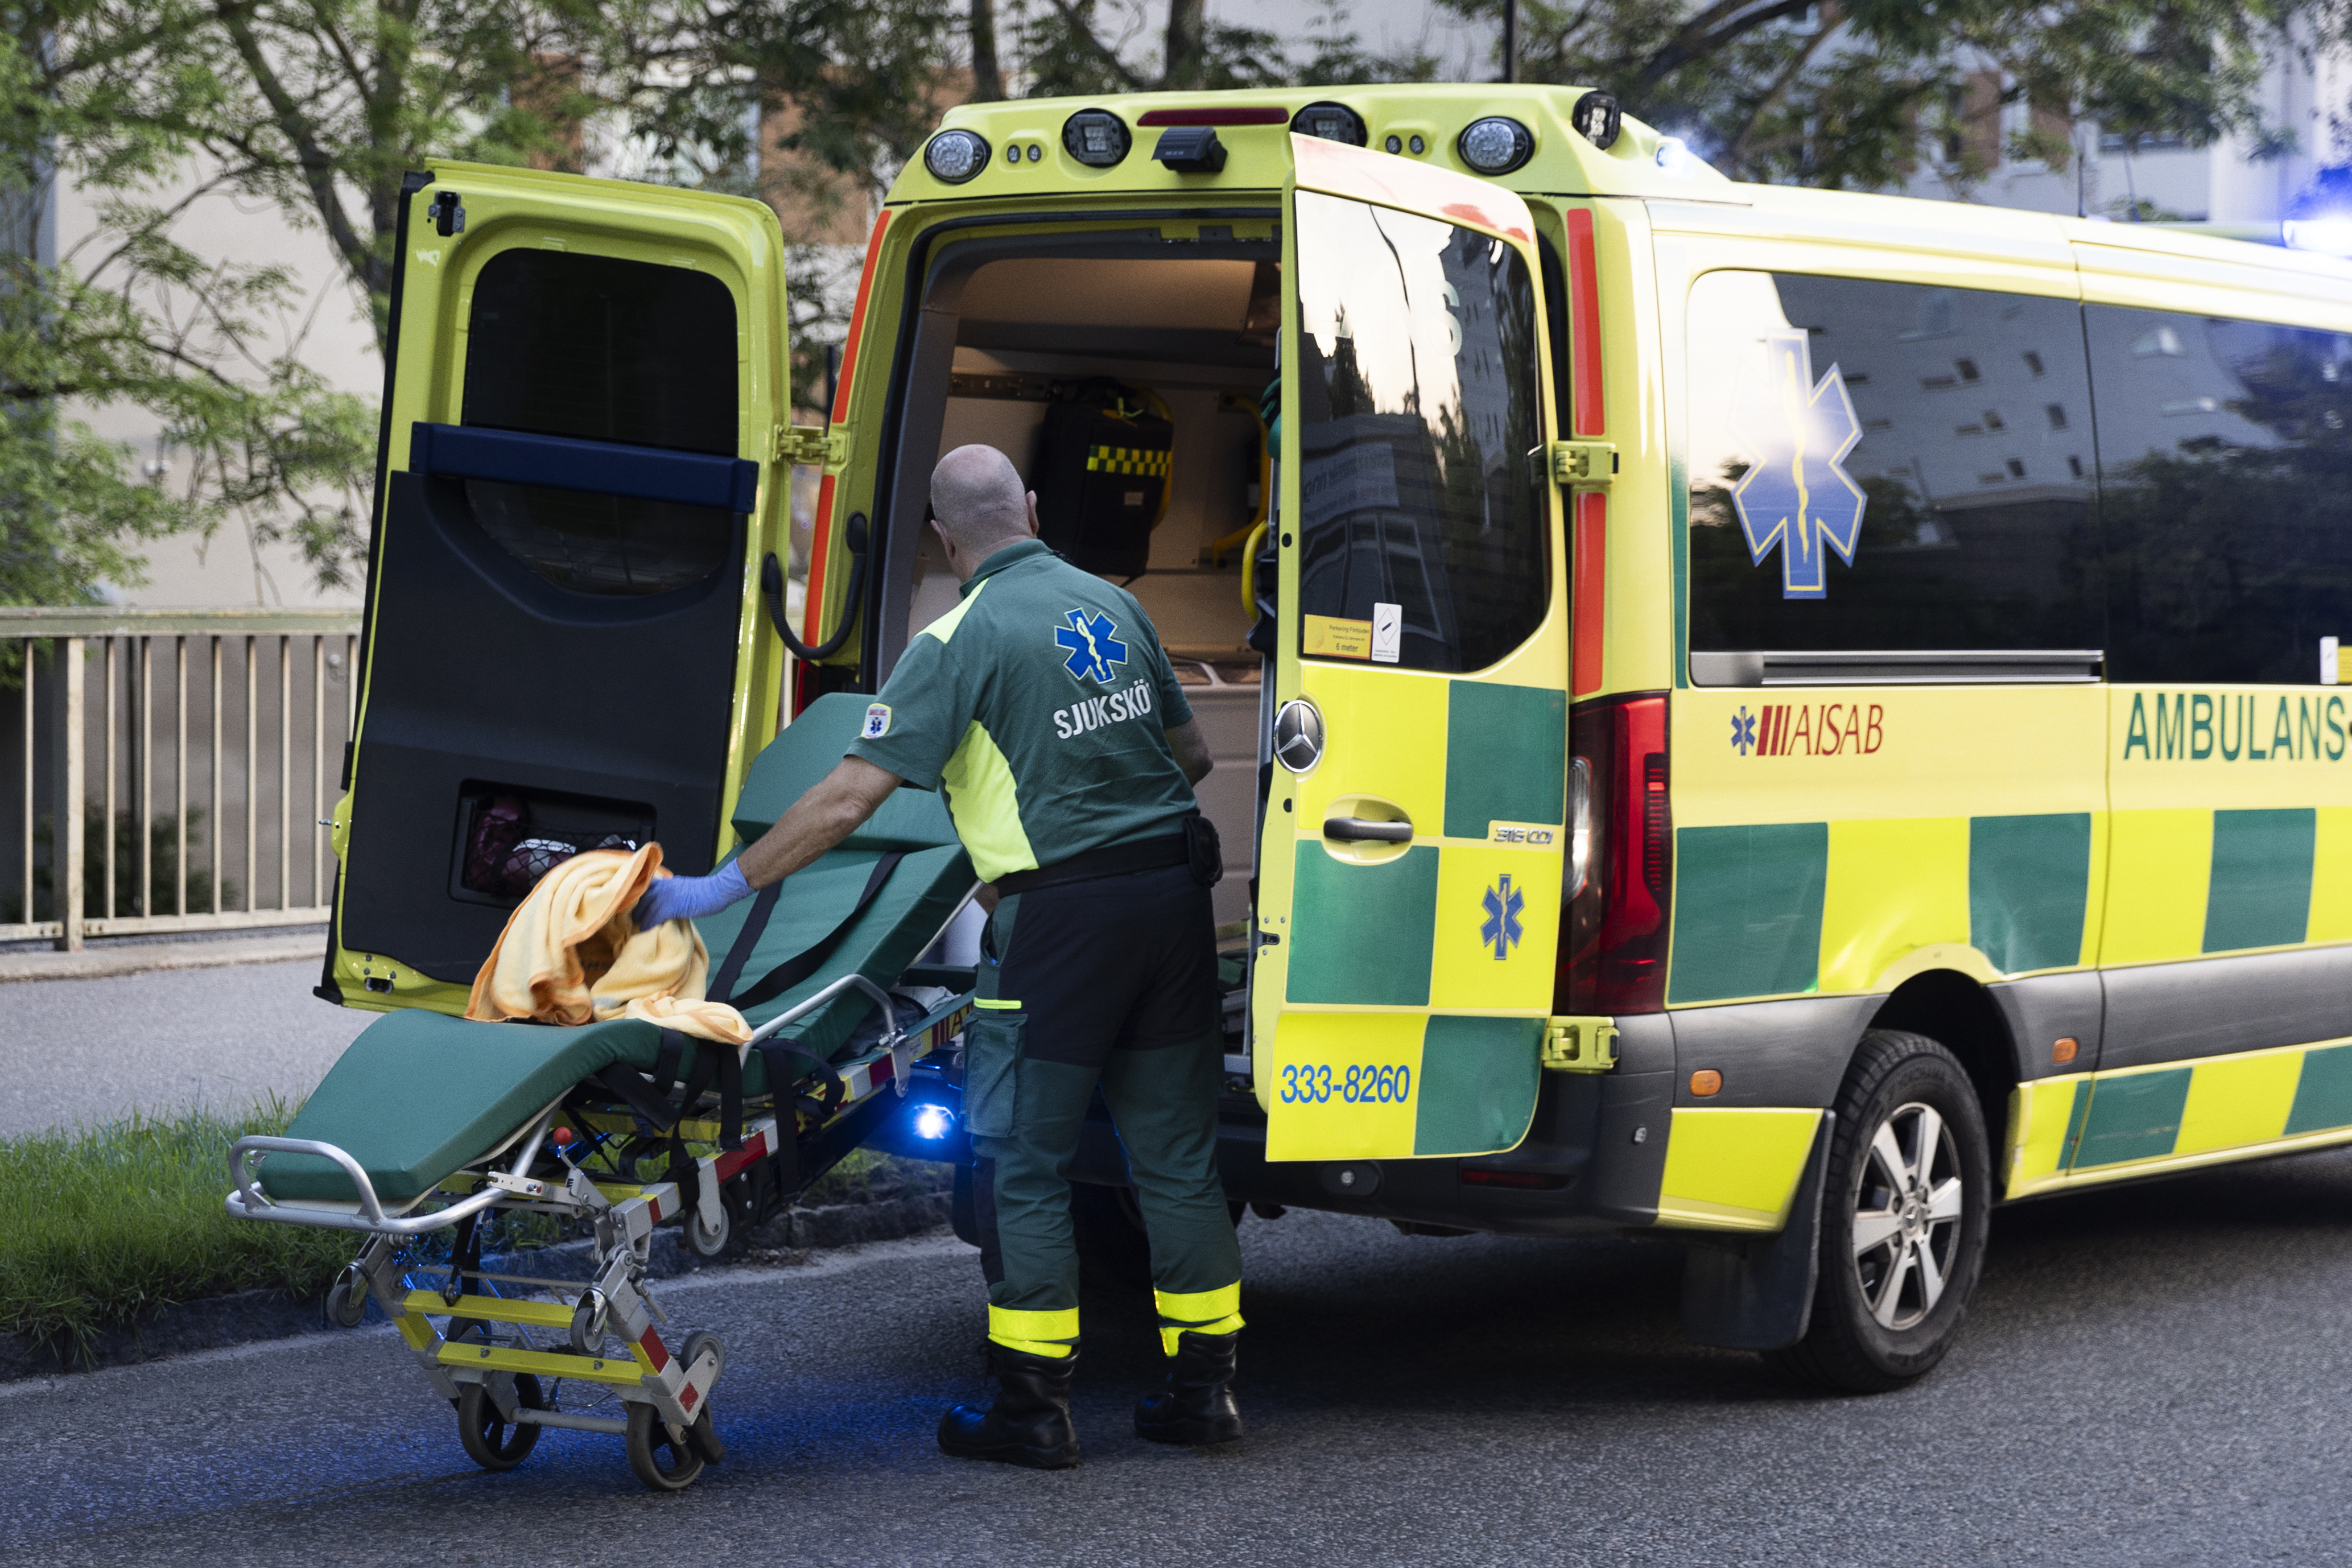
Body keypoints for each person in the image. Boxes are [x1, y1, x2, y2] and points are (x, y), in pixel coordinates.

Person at [637, 443, 1244, 1470]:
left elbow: (843, 800)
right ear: (1034, 507)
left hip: (1061, 929)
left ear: (941, 536)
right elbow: (1188, 757)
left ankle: (1032, 1408)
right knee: (1178, 1157)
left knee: (1023, 1159)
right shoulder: (1112, 604)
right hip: (1175, 906)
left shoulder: (955, 639)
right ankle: (1203, 1395)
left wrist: (715, 890)